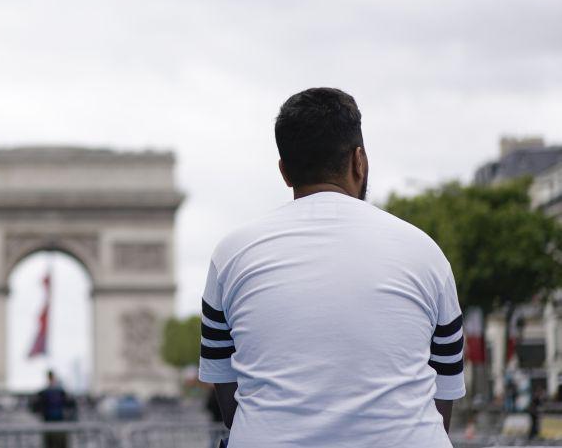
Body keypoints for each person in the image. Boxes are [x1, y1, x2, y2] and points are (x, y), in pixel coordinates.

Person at [198, 88, 466, 447]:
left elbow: (228, 397)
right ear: (359, 161)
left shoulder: (230, 255)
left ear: (285, 172)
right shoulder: (426, 251)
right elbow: (443, 392)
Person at [31, 371, 71, 448]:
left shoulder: (48, 392)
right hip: (54, 423)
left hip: (55, 423)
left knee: (53, 443)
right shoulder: (59, 392)